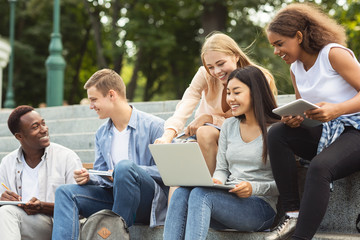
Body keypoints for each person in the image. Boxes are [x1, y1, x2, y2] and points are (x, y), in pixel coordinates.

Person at [265, 3, 360, 240]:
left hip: (355, 130)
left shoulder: (333, 54)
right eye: (273, 46)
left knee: (320, 166)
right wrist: (295, 118)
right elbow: (305, 109)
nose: (276, 51)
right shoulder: (295, 69)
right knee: (277, 133)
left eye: (279, 44)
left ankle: (300, 237)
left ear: (298, 36)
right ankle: (292, 213)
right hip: (328, 132)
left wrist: (338, 109)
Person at [163, 66, 280, 240]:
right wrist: (217, 181)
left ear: (255, 92)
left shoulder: (277, 130)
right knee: (181, 192)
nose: (230, 99)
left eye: (237, 93)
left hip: (261, 207)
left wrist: (252, 188)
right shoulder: (229, 126)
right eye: (228, 93)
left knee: (200, 194)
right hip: (229, 199)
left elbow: (285, 184)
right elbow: (223, 169)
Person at [52, 69, 168, 240]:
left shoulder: (155, 126)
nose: (91, 106)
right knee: (65, 192)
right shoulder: (101, 134)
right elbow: (102, 173)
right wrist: (89, 177)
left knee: (124, 167)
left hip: (147, 202)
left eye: (94, 100)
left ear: (112, 95)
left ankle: (110, 236)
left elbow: (168, 172)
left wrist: (126, 172)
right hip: (115, 198)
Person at [155, 32, 277, 176]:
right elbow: (188, 100)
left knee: (205, 132)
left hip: (238, 134)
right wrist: (169, 134)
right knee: (179, 177)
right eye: (210, 67)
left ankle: (212, 188)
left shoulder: (259, 77)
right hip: (201, 136)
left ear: (235, 56)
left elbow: (249, 117)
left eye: (221, 64)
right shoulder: (204, 74)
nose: (217, 71)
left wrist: (210, 118)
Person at [0, 105, 82, 240]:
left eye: (43, 123)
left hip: (59, 225)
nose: (44, 130)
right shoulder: (8, 162)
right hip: (23, 223)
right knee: (6, 211)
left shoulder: (67, 157)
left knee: (6, 213)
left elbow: (79, 209)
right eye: (35, 127)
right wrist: (3, 200)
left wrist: (42, 207)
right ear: (19, 136)